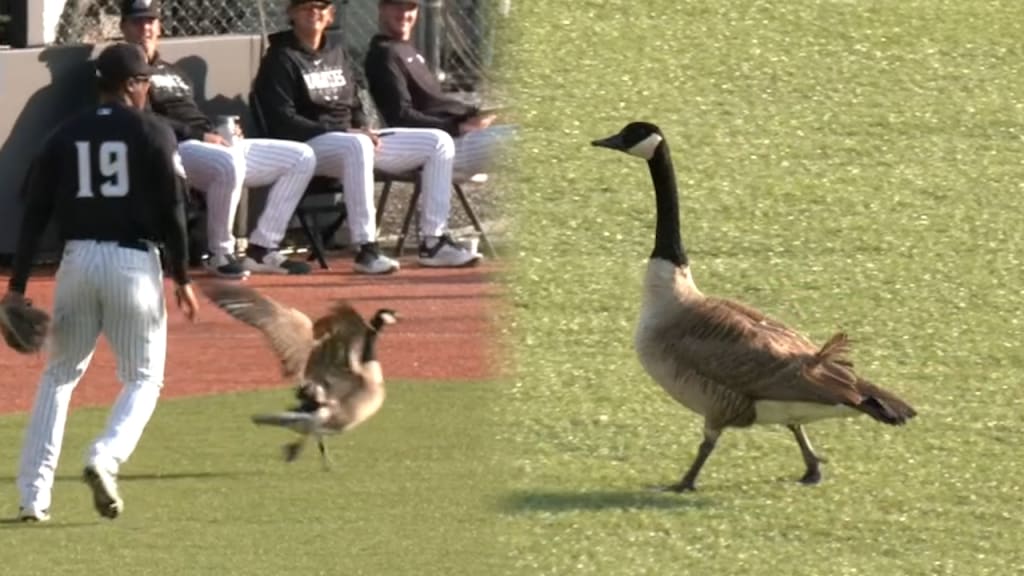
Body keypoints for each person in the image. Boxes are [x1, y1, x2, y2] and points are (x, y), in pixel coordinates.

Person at [4, 42, 199, 522]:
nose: (148, 86)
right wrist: (182, 274)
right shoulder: (153, 130)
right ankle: (105, 455)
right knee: (143, 379)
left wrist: (18, 284)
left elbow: (34, 213)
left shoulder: (63, 133)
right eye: (144, 80)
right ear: (132, 85)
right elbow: (174, 210)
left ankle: (33, 497)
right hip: (133, 264)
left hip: (75, 260)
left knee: (58, 378)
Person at [252, 0, 482, 274]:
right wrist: (343, 133)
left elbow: (355, 105)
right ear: (291, 14)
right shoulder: (280, 58)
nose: (314, 12)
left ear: (331, 14)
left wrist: (363, 127)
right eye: (305, 7)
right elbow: (283, 120)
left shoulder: (337, 52)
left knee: (437, 141)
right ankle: (366, 248)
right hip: (309, 145)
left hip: (351, 141)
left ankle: (434, 242)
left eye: (321, 6)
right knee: (357, 144)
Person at [120, 0, 317, 277]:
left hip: (207, 142)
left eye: (150, 21)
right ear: (124, 28)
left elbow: (190, 114)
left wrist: (221, 131)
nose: (145, 28)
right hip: (175, 148)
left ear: (159, 27)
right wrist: (201, 135)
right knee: (227, 164)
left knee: (301, 157)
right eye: (137, 22)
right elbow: (144, 121)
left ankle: (262, 248)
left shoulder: (174, 71)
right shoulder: (125, 70)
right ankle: (219, 252)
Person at [364, 0, 516, 180]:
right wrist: (457, 126)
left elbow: (435, 104)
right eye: (398, 6)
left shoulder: (408, 50)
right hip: (439, 144)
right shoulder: (384, 54)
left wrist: (477, 115)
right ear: (382, 9)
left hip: (457, 133)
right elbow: (401, 117)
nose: (404, 14)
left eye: (410, 7)